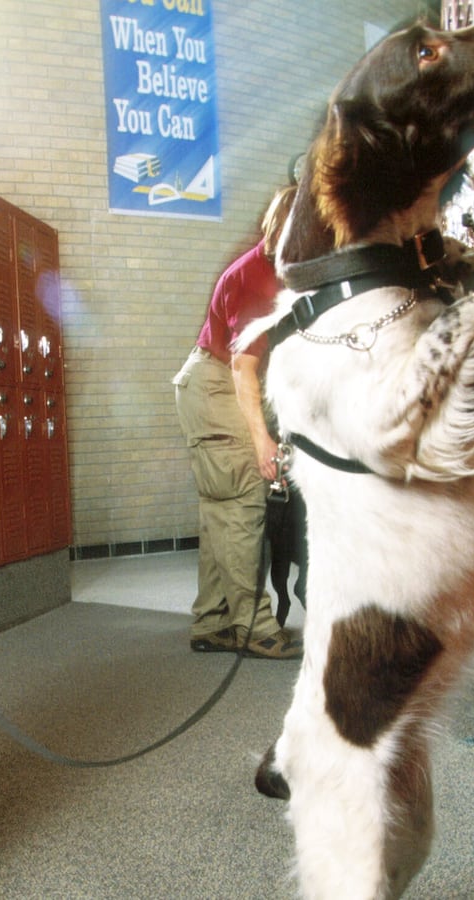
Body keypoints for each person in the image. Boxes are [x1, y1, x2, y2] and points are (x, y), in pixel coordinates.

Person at [172, 186, 302, 659]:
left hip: (208, 383)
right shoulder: (256, 279)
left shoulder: (280, 272)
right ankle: (253, 627)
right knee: (245, 498)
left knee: (219, 511)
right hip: (216, 385)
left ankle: (213, 621)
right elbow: (243, 368)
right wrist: (263, 440)